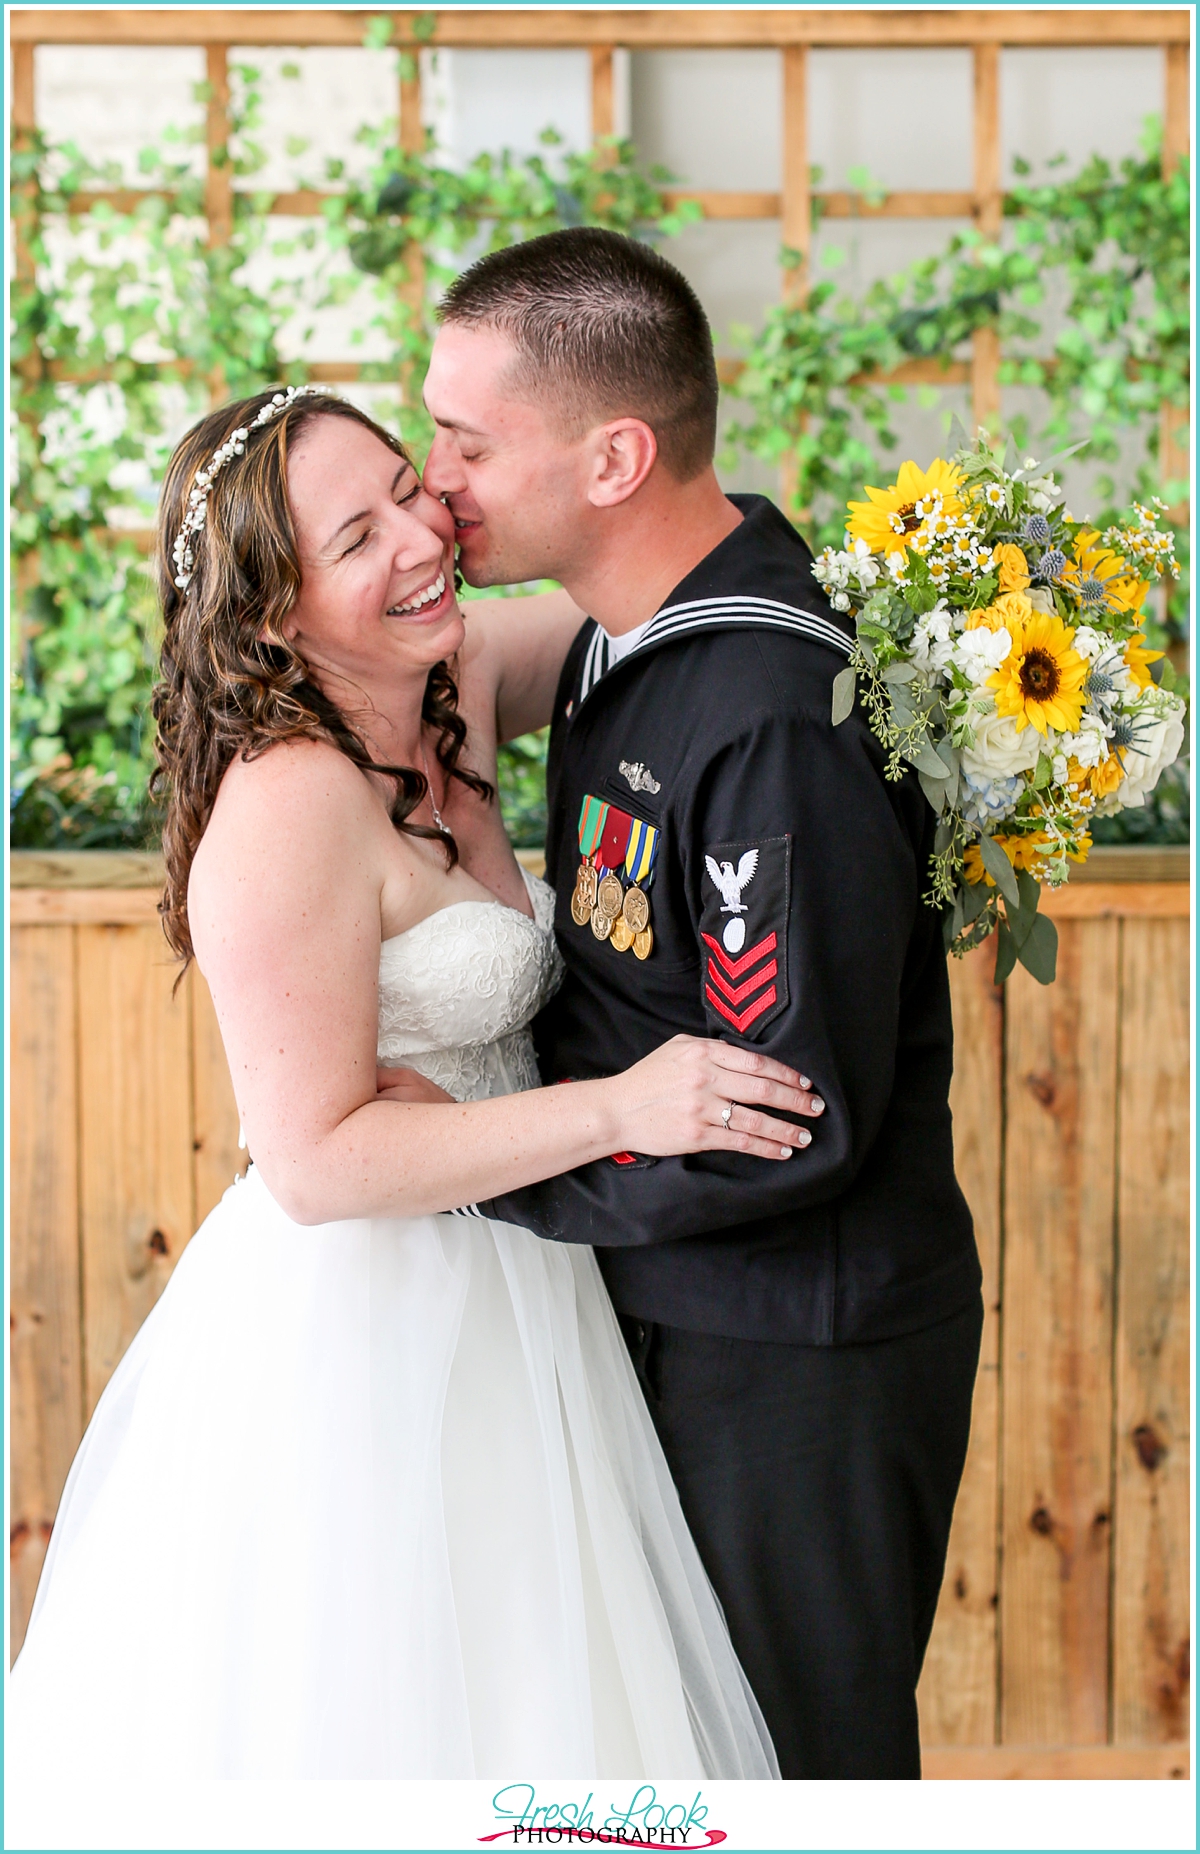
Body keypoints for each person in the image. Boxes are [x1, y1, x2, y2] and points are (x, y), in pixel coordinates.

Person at [9, 385, 825, 1780]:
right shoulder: (285, 808)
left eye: (407, 483)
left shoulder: (456, 679)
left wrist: (883, 607)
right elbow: (318, 1165)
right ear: (273, 616)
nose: (418, 536)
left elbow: (660, 590)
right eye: (356, 533)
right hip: (367, 1330)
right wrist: (625, 1106)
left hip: (532, 1283)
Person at [421, 227, 985, 1780]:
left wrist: (485, 1163)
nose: (436, 476)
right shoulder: (626, 633)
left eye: (468, 440)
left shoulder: (768, 716)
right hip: (668, 1305)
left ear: (614, 455)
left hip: (790, 1349)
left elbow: (777, 1120)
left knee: (794, 1773)